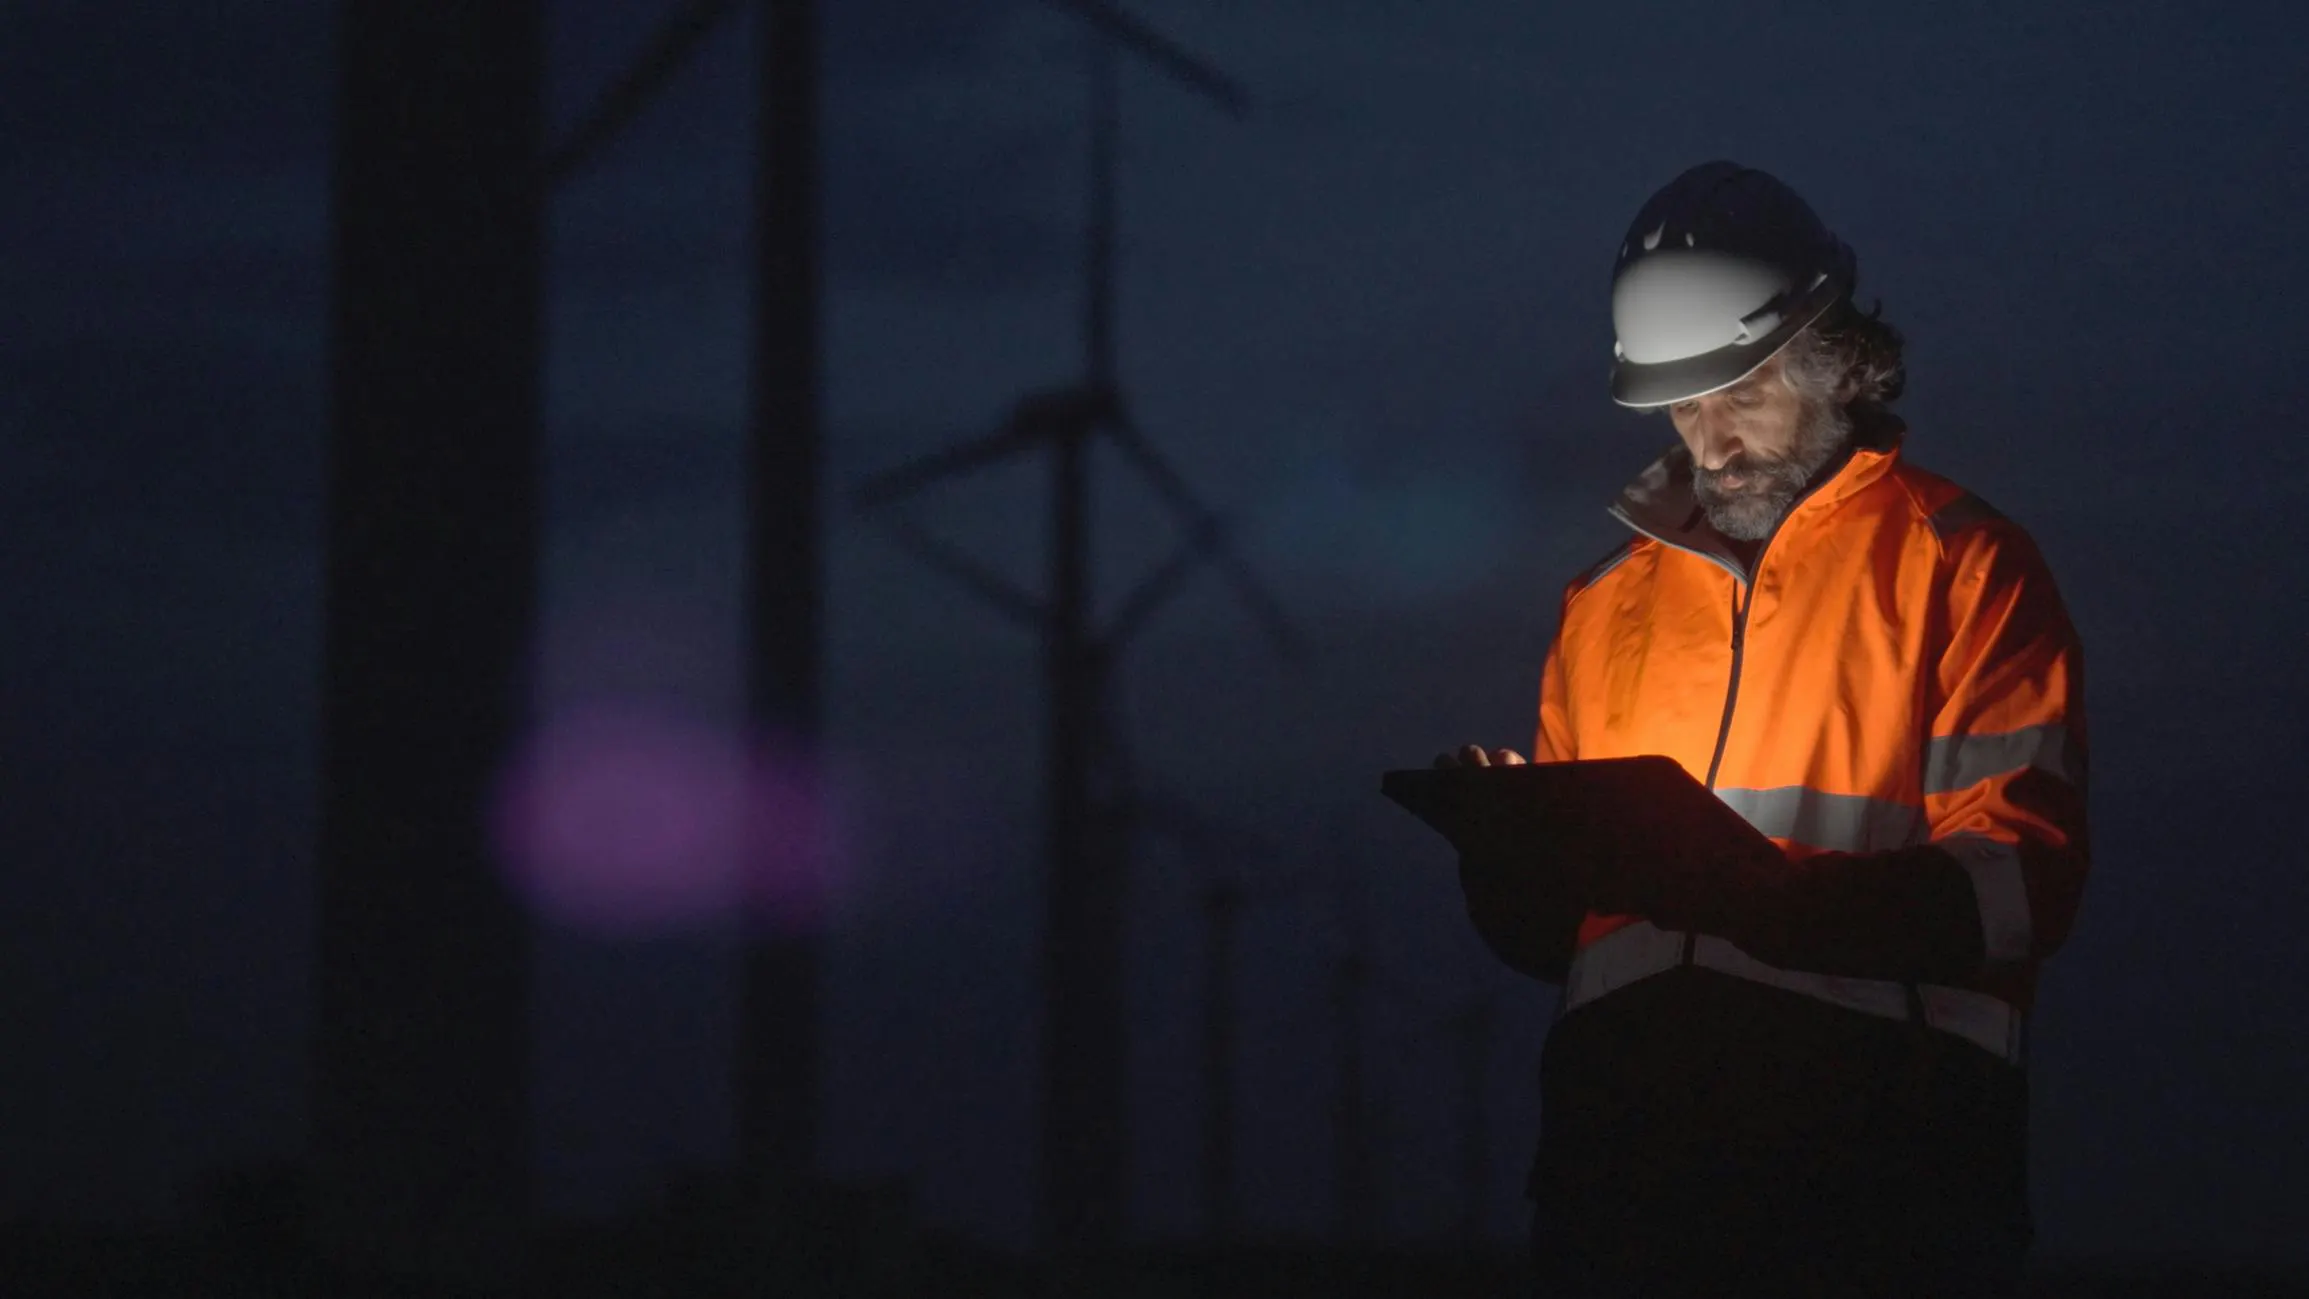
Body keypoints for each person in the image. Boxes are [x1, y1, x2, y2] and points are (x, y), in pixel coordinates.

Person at [1442, 162, 2088, 1297]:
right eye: (1683, 406)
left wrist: (1770, 904)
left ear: (1834, 365)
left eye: (1737, 395)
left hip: (1877, 1173)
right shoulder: (1602, 606)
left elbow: (2019, 886)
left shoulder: (1964, 567)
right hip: (1621, 1176)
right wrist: (1502, 858)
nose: (1710, 439)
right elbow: (1572, 942)